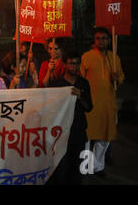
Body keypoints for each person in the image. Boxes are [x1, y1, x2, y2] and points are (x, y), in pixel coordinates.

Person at [80, 27, 124, 177]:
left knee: (104, 138)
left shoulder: (114, 58)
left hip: (107, 104)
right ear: (94, 40)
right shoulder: (87, 57)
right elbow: (81, 79)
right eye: (98, 38)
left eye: (104, 38)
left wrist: (117, 78)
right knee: (87, 137)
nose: (101, 41)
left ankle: (97, 167)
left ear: (109, 40)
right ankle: (84, 166)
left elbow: (121, 78)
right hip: (90, 104)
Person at [47, 50, 93, 185]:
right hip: (61, 134)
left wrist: (80, 97)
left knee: (76, 171)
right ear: (65, 65)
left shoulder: (84, 83)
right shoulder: (57, 84)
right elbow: (50, 108)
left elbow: (89, 107)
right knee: (60, 170)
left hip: (78, 133)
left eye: (77, 64)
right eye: (71, 64)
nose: (74, 67)